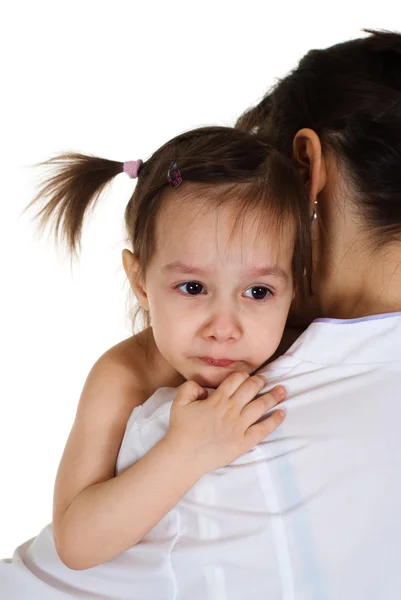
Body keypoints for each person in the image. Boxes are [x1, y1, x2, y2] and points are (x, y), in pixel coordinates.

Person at [0, 125, 310, 598]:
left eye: (258, 292)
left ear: (296, 288)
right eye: (192, 288)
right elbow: (76, 544)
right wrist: (185, 451)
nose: (224, 326)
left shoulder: (304, 351)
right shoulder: (122, 377)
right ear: (140, 281)